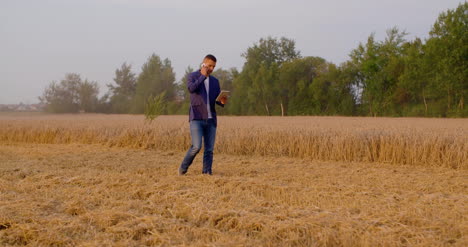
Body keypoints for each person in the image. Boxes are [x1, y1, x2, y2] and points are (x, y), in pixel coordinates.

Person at [179, 54, 228, 175]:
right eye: (210, 65)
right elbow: (191, 89)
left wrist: (222, 102)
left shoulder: (215, 82)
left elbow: (216, 100)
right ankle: (183, 168)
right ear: (203, 64)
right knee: (196, 146)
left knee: (209, 149)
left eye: (214, 66)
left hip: (211, 119)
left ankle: (207, 173)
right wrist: (202, 76)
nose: (211, 68)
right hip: (196, 118)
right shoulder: (193, 76)